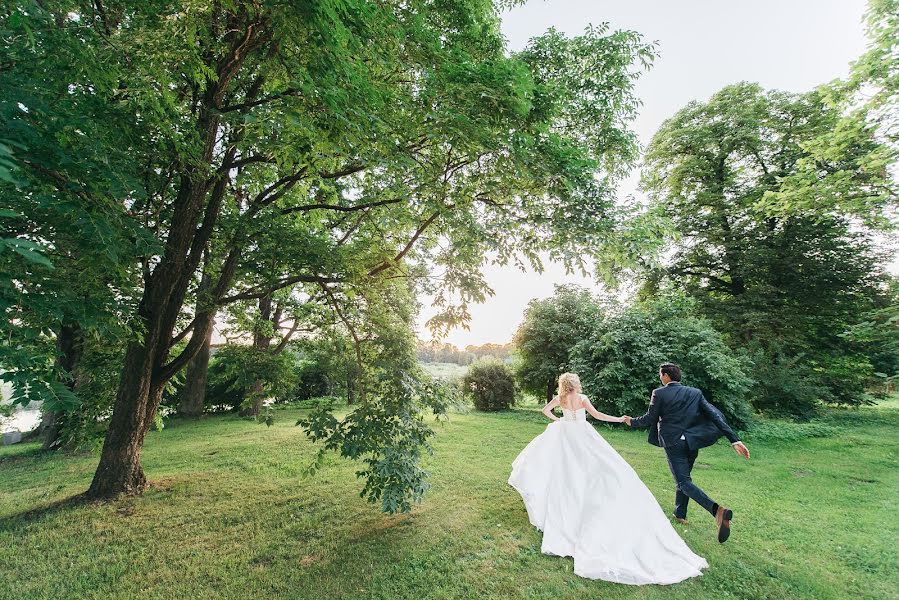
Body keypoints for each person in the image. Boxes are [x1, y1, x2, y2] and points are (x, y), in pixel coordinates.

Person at [508, 372, 708, 585]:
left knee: (563, 470)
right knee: (594, 468)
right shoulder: (582, 399)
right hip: (582, 435)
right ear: (576, 384)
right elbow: (599, 415)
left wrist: (559, 420)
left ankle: (565, 502)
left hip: (565, 435)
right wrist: (620, 419)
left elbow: (545, 410)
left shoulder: (561, 399)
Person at [624, 363, 750, 543]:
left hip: (673, 442)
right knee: (684, 478)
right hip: (691, 441)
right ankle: (680, 513)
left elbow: (649, 418)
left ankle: (718, 511)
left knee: (683, 482)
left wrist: (631, 422)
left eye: (661, 374)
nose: (660, 377)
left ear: (666, 376)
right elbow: (715, 416)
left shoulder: (659, 393)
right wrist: (734, 440)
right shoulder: (695, 393)